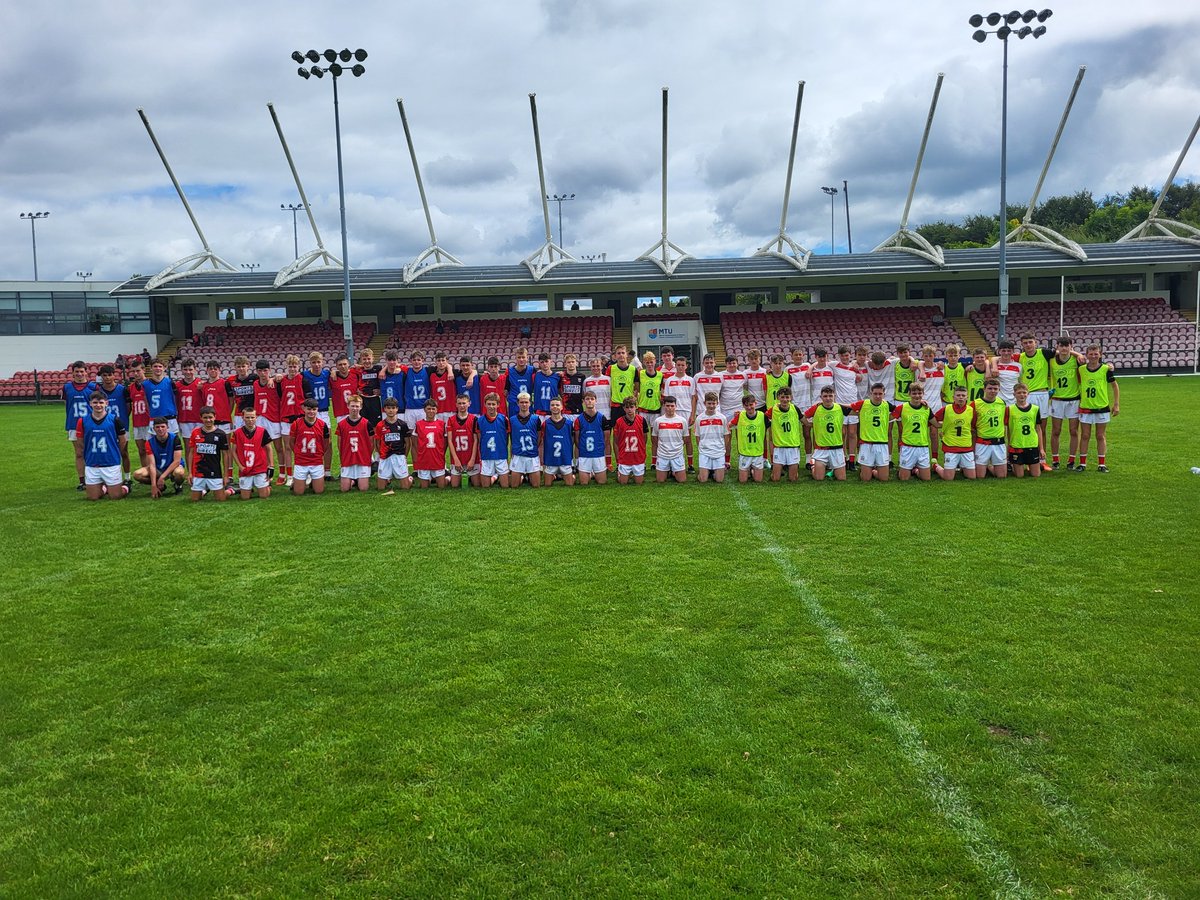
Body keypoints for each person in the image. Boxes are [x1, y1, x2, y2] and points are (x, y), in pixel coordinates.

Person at [76, 391, 129, 500]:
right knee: (93, 498)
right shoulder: (82, 421)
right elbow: (80, 442)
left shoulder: (115, 420)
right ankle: (104, 488)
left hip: (111, 463)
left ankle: (126, 487)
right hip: (92, 463)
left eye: (101, 402)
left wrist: (114, 452)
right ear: (90, 403)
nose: (98, 405)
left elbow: (123, 440)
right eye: (95, 403)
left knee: (115, 496)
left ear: (106, 403)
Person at [1076, 343, 1119, 473]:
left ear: (1100, 355)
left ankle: (1101, 464)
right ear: (1087, 355)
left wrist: (1116, 404)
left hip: (1101, 407)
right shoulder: (1081, 369)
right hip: (1086, 407)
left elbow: (1115, 386)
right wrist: (1077, 354)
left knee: (1100, 436)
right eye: (1091, 354)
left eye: (1096, 354)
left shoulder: (1106, 369)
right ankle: (1082, 464)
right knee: (1085, 435)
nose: (1093, 356)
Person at [1048, 336, 1086, 470]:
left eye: (1067, 346)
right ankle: (1055, 459)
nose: (1064, 348)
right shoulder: (1051, 360)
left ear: (1071, 347)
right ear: (1057, 347)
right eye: (1061, 346)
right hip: (1057, 400)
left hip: (1073, 400)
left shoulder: (1077, 360)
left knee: (1073, 431)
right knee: (1056, 431)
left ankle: (1071, 460)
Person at [803, 385, 850, 481]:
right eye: (825, 396)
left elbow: (856, 411)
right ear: (821, 397)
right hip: (821, 449)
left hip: (837, 449)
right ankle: (813, 465)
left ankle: (832, 469)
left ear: (834, 396)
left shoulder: (839, 408)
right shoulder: (816, 408)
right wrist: (809, 424)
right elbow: (803, 416)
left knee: (841, 478)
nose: (828, 398)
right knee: (819, 478)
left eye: (830, 396)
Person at [892, 382, 936, 482]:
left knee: (926, 479)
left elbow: (937, 424)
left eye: (919, 393)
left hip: (923, 447)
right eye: (914, 393)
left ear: (923, 393)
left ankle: (915, 470)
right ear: (909, 394)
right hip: (908, 447)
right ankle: (904, 469)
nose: (917, 395)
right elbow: (888, 417)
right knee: (904, 479)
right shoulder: (902, 408)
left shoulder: (927, 409)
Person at [851, 382, 893, 482]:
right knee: (865, 479)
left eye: (880, 394)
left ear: (884, 394)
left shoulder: (887, 405)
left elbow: (904, 409)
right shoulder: (863, 404)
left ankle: (873, 470)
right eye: (875, 394)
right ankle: (866, 469)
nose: (877, 396)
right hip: (867, 444)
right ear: (871, 393)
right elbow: (847, 408)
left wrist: (921, 402)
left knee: (884, 479)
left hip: (882, 445)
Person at [136, 415, 186, 497]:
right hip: (158, 468)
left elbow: (177, 461)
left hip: (173, 467)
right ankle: (159, 486)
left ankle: (178, 485)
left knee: (179, 473)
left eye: (163, 426)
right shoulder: (149, 442)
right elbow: (151, 465)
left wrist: (162, 477)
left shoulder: (175, 439)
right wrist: (153, 486)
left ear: (167, 427)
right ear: (154, 428)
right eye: (157, 427)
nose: (160, 429)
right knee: (137, 474)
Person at [188, 406, 230, 501]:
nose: (208, 420)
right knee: (195, 500)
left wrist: (226, 475)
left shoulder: (221, 434)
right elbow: (191, 453)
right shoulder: (195, 433)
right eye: (205, 417)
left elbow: (225, 455)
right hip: (199, 472)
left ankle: (231, 491)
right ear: (201, 418)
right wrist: (190, 473)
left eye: (210, 417)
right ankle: (205, 490)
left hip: (214, 472)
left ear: (215, 417)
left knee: (221, 499)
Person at [933, 386, 976, 480]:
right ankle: (936, 466)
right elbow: (934, 420)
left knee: (972, 477)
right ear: (953, 397)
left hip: (966, 447)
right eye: (958, 395)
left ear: (967, 397)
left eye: (963, 395)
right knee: (948, 478)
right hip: (950, 447)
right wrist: (943, 426)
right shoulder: (946, 409)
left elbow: (974, 427)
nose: (961, 397)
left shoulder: (971, 410)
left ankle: (961, 467)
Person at [232, 405, 274, 499]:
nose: (250, 420)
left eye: (252, 417)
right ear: (242, 418)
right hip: (245, 469)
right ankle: (238, 489)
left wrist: (271, 465)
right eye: (247, 417)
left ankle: (267, 486)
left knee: (264, 496)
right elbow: (233, 451)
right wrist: (240, 466)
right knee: (245, 498)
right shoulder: (237, 433)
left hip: (260, 468)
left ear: (256, 417)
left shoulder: (262, 431)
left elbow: (269, 448)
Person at [291, 398, 331, 495]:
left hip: (316, 461)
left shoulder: (322, 425)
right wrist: (298, 452)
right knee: (298, 492)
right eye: (309, 409)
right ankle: (296, 482)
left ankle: (313, 481)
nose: (311, 412)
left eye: (314, 409)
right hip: (301, 461)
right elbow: (292, 442)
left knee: (319, 491)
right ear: (304, 409)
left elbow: (326, 443)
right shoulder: (296, 424)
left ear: (317, 410)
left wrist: (320, 453)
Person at [663, 356, 696, 472]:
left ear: (686, 366)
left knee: (687, 439)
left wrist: (692, 414)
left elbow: (693, 398)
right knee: (674, 439)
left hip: (686, 412)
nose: (681, 367)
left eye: (683, 365)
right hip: (673, 412)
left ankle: (690, 464)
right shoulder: (669, 380)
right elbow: (666, 398)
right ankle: (673, 463)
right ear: (675, 366)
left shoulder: (691, 380)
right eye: (678, 365)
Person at [276, 355, 305, 485]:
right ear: (286, 367)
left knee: (300, 446)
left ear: (298, 367)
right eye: (290, 366)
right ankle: (290, 475)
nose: (292, 369)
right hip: (286, 417)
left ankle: (302, 473)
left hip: (299, 417)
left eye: (295, 366)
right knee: (287, 447)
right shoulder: (281, 381)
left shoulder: (303, 379)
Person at [832, 346, 862, 470]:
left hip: (853, 403)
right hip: (840, 404)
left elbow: (859, 378)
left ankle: (852, 460)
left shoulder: (854, 368)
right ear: (839, 356)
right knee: (842, 433)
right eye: (843, 355)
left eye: (847, 355)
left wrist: (857, 369)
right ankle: (842, 458)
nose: (845, 357)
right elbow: (818, 363)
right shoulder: (834, 365)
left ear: (850, 355)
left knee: (852, 433)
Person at [971, 378, 1008, 479]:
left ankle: (990, 466)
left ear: (999, 390)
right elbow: (971, 426)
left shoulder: (1002, 403)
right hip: (982, 443)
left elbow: (1003, 423)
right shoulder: (975, 404)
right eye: (990, 388)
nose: (993, 391)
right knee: (980, 476)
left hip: (999, 443)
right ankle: (984, 465)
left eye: (995, 389)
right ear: (984, 389)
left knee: (1002, 476)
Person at [337, 395, 374, 492]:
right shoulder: (341, 424)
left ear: (361, 407)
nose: (355, 408)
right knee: (344, 489)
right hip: (348, 458)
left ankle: (357, 480)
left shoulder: (366, 423)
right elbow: (339, 443)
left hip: (362, 459)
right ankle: (352, 481)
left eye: (357, 406)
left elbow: (371, 443)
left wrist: (367, 456)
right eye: (352, 406)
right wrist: (343, 457)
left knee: (363, 489)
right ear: (348, 406)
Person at [375, 397, 413, 492]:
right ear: (384, 409)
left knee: (405, 487)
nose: (391, 410)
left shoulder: (403, 424)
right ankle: (387, 478)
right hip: (385, 457)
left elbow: (408, 442)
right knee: (381, 488)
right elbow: (377, 442)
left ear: (397, 409)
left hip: (399, 456)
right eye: (388, 408)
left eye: (393, 408)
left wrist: (404, 456)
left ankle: (410, 479)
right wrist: (381, 454)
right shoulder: (380, 425)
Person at [574, 390, 611, 485]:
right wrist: (582, 449)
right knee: (583, 483)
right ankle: (589, 473)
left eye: (592, 399)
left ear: (596, 401)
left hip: (598, 455)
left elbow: (606, 439)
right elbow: (577, 439)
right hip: (585, 455)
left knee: (602, 482)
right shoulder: (579, 419)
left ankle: (594, 473)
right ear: (583, 401)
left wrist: (600, 449)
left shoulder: (602, 418)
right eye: (587, 399)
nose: (590, 401)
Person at [767, 387, 802, 482]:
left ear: (791, 397)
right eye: (782, 397)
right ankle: (775, 472)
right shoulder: (772, 410)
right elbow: (760, 419)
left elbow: (805, 422)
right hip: (779, 447)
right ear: (778, 397)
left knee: (793, 479)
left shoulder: (795, 409)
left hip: (793, 447)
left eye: (787, 397)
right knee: (775, 479)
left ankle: (794, 471)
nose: (785, 400)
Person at [1007, 383, 1043, 478]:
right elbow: (1009, 430)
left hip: (1032, 444)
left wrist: (1041, 449)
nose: (1022, 395)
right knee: (1019, 475)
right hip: (1017, 445)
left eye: (1024, 392)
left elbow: (1038, 429)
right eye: (1019, 393)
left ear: (1028, 394)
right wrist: (1009, 447)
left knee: (1036, 475)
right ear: (1014, 394)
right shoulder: (1010, 409)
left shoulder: (1035, 409)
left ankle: (1033, 465)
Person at [694, 392, 730, 483]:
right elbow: (697, 436)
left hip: (718, 451)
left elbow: (726, 435)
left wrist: (722, 448)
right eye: (709, 403)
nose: (711, 406)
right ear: (704, 403)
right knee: (703, 480)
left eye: (713, 403)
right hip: (705, 452)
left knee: (719, 480)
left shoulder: (722, 418)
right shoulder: (699, 419)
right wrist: (701, 448)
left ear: (717, 403)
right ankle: (706, 471)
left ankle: (713, 471)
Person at [730, 394, 767, 483]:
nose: (749, 407)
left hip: (757, 452)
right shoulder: (740, 416)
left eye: (751, 405)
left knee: (758, 480)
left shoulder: (762, 416)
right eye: (746, 405)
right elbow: (729, 426)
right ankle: (748, 469)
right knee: (743, 481)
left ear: (755, 403)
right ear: (743, 406)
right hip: (744, 452)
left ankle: (752, 470)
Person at [612, 396, 648, 485]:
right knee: (623, 482)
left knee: (639, 482)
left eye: (631, 407)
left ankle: (634, 473)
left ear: (636, 407)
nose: (629, 410)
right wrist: (618, 459)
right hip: (625, 458)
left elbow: (644, 439)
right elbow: (616, 441)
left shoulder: (642, 420)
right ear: (624, 408)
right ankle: (620, 473)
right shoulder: (619, 422)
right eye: (627, 407)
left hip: (637, 458)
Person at [477, 394, 511, 488]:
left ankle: (497, 475)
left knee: (505, 486)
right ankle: (495, 477)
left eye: (493, 404)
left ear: (498, 405)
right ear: (485, 405)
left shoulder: (504, 419)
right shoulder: (480, 421)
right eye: (489, 404)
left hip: (500, 456)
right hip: (486, 456)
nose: (491, 406)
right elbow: (480, 439)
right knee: (485, 486)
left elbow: (506, 438)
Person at [508, 391, 542, 487]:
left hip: (532, 455)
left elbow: (539, 437)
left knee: (536, 485)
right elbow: (511, 439)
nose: (524, 404)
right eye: (522, 402)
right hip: (518, 455)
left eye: (526, 402)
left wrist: (534, 447)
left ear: (530, 403)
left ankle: (527, 475)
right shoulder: (512, 420)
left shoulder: (536, 419)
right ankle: (522, 476)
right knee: (514, 485)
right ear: (518, 403)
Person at [652, 396, 689, 483]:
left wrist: (676, 447)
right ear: (664, 406)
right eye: (667, 406)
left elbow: (686, 438)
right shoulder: (658, 421)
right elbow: (654, 438)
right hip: (662, 455)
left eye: (672, 406)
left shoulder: (682, 421)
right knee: (660, 480)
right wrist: (663, 448)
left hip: (677, 455)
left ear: (676, 406)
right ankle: (668, 470)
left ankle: (673, 471)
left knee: (682, 480)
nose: (670, 408)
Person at [447, 393, 481, 488]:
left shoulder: (474, 419)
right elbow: (450, 441)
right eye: (460, 403)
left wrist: (473, 459)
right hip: (458, 457)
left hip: (471, 458)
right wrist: (455, 460)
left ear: (469, 403)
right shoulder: (450, 420)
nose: (462, 406)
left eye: (464, 403)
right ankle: (449, 476)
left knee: (477, 484)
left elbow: (475, 440)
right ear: (456, 404)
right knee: (454, 485)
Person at [540, 397, 575, 486]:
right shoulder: (545, 424)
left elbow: (572, 441)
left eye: (557, 405)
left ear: (562, 407)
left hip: (565, 460)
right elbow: (541, 443)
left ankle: (571, 476)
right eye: (552, 405)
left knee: (570, 484)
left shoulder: (569, 424)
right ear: (549, 407)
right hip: (550, 460)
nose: (555, 407)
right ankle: (554, 476)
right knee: (547, 485)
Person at [607, 345, 639, 421]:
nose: (621, 355)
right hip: (615, 404)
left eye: (623, 353)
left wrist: (633, 400)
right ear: (615, 356)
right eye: (618, 353)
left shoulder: (633, 369)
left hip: (628, 405)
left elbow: (637, 388)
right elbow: (607, 386)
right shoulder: (611, 368)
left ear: (626, 354)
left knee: (629, 429)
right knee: (616, 429)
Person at [302, 351, 332, 427]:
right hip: (311, 409)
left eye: (319, 362)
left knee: (327, 436)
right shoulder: (304, 375)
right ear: (310, 363)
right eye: (314, 362)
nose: (317, 365)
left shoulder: (327, 374)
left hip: (324, 409)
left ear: (322, 362)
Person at [354, 348, 383, 428]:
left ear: (373, 358)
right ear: (361, 360)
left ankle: (374, 440)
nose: (367, 361)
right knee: (363, 424)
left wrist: (380, 390)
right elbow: (343, 370)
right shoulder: (358, 370)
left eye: (369, 359)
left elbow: (389, 366)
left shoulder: (378, 368)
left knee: (376, 425)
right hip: (363, 399)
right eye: (364, 359)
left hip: (375, 400)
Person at [227, 356, 257, 429]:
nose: (241, 368)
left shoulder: (255, 378)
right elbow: (231, 399)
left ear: (248, 366)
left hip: (252, 413)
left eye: (243, 366)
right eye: (239, 366)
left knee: (254, 436)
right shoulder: (230, 380)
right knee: (239, 436)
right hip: (239, 414)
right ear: (235, 367)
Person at [329, 354, 359, 426]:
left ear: (348, 364)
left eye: (345, 364)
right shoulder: (332, 378)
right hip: (341, 412)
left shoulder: (355, 375)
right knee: (342, 434)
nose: (343, 366)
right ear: (336, 366)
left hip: (355, 410)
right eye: (340, 364)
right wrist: (333, 372)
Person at [636, 350, 664, 430]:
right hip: (642, 408)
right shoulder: (640, 373)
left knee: (654, 434)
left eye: (651, 362)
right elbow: (636, 389)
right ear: (644, 362)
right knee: (642, 433)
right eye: (647, 362)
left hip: (655, 408)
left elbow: (661, 390)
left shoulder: (660, 375)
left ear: (655, 361)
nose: (649, 364)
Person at [532, 353, 563, 419]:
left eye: (546, 361)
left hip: (552, 412)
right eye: (542, 362)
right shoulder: (535, 375)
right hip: (538, 412)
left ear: (551, 362)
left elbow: (562, 394)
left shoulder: (557, 377)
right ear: (539, 364)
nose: (545, 364)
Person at [506, 348, 535, 415]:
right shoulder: (509, 371)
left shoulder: (532, 370)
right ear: (515, 358)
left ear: (527, 358)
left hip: (527, 404)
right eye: (519, 357)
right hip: (514, 405)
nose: (521, 359)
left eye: (523, 357)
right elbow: (505, 390)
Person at [430, 351, 457, 422]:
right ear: (435, 362)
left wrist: (450, 370)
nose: (441, 363)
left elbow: (473, 371)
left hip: (451, 410)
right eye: (438, 361)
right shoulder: (431, 373)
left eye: (443, 360)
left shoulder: (454, 373)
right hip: (437, 410)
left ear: (447, 361)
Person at [994, 339, 1022, 404]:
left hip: (1014, 399)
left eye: (1009, 351)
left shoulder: (1019, 366)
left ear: (1013, 351)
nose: (1006, 353)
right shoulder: (994, 365)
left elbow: (1020, 381)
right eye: (1003, 351)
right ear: (999, 351)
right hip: (998, 399)